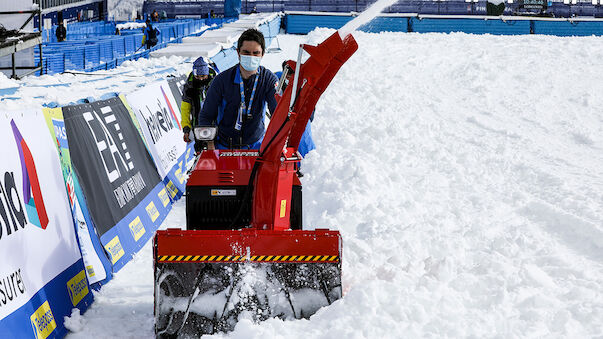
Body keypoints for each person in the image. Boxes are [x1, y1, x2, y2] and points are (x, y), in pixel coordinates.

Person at [198, 28, 278, 149]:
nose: (251, 57)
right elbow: (206, 115)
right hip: (224, 146)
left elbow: (278, 113)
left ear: (262, 54)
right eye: (246, 52)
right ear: (238, 52)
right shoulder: (221, 80)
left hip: (256, 145)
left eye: (256, 53)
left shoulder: (268, 79)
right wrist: (209, 144)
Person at [275, 60, 315, 158]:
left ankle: (307, 159)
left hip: (301, 115)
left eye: (291, 73)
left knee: (302, 135)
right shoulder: (279, 79)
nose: (288, 76)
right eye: (286, 72)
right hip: (283, 116)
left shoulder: (304, 83)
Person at [181, 57, 217, 143]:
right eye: (197, 76)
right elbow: (185, 109)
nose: (200, 79)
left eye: (203, 76)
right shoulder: (189, 87)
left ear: (207, 74)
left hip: (215, 124)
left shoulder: (216, 83)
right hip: (198, 126)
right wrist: (186, 129)